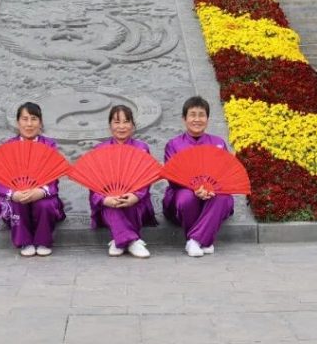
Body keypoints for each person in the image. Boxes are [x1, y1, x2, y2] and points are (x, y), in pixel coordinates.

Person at [163, 96, 235, 257]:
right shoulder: (173, 145)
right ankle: (206, 240)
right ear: (184, 119)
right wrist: (195, 189)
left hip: (212, 194)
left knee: (223, 197)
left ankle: (195, 241)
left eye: (201, 115)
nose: (197, 119)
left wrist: (210, 189)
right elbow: (173, 177)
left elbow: (224, 174)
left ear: (207, 119)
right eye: (192, 115)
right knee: (186, 198)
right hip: (183, 192)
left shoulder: (218, 143)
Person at [0, 102, 66, 257]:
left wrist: (41, 191)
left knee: (45, 205)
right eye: (25, 119)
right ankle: (25, 241)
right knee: (17, 203)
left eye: (34, 119)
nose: (29, 124)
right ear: (18, 122)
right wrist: (13, 194)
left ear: (40, 122)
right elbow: (1, 177)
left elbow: (53, 176)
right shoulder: (8, 147)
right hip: (17, 196)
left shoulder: (49, 145)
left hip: (41, 194)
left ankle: (43, 241)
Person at [89, 105, 157, 258]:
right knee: (112, 207)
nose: (121, 126)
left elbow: (146, 178)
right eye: (117, 122)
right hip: (108, 205)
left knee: (128, 203)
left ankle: (119, 240)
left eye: (126, 122)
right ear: (110, 126)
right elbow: (93, 184)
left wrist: (136, 196)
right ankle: (132, 241)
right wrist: (105, 199)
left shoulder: (142, 148)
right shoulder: (100, 150)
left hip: (136, 204)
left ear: (133, 125)